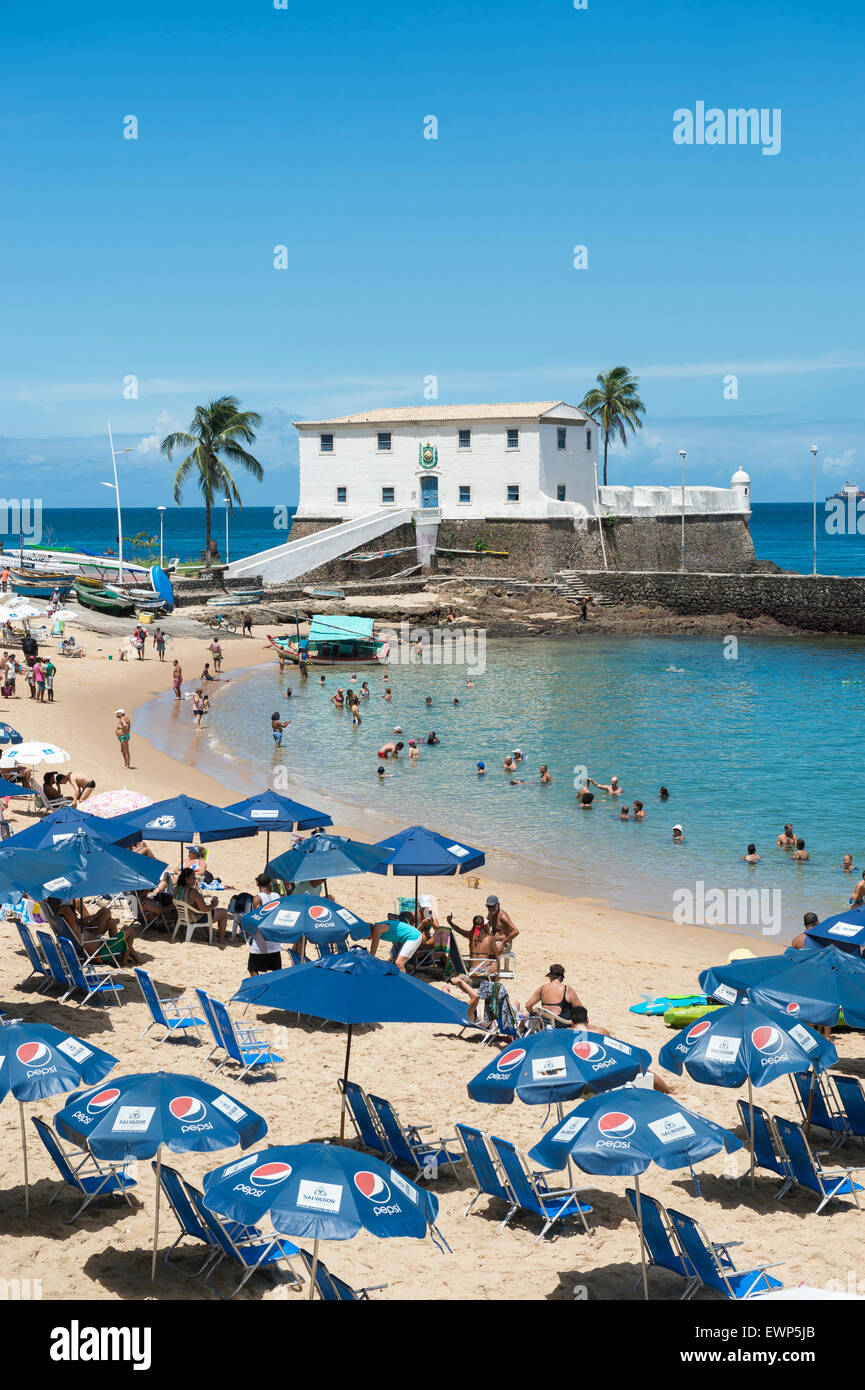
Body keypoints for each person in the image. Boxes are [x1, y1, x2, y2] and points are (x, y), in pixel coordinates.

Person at [174, 866, 230, 946]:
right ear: (186, 879)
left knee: (204, 912)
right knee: (223, 913)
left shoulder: (177, 889)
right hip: (194, 918)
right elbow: (204, 909)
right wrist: (213, 905)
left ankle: (210, 937)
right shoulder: (193, 892)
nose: (195, 879)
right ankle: (221, 940)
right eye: (193, 877)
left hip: (183, 916)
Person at [246, 874, 283, 973]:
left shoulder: (257, 898)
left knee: (253, 969)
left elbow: (259, 919)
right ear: (270, 883)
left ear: (257, 883)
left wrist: (248, 930)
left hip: (261, 939)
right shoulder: (276, 896)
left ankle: (259, 987)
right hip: (275, 938)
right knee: (276, 971)